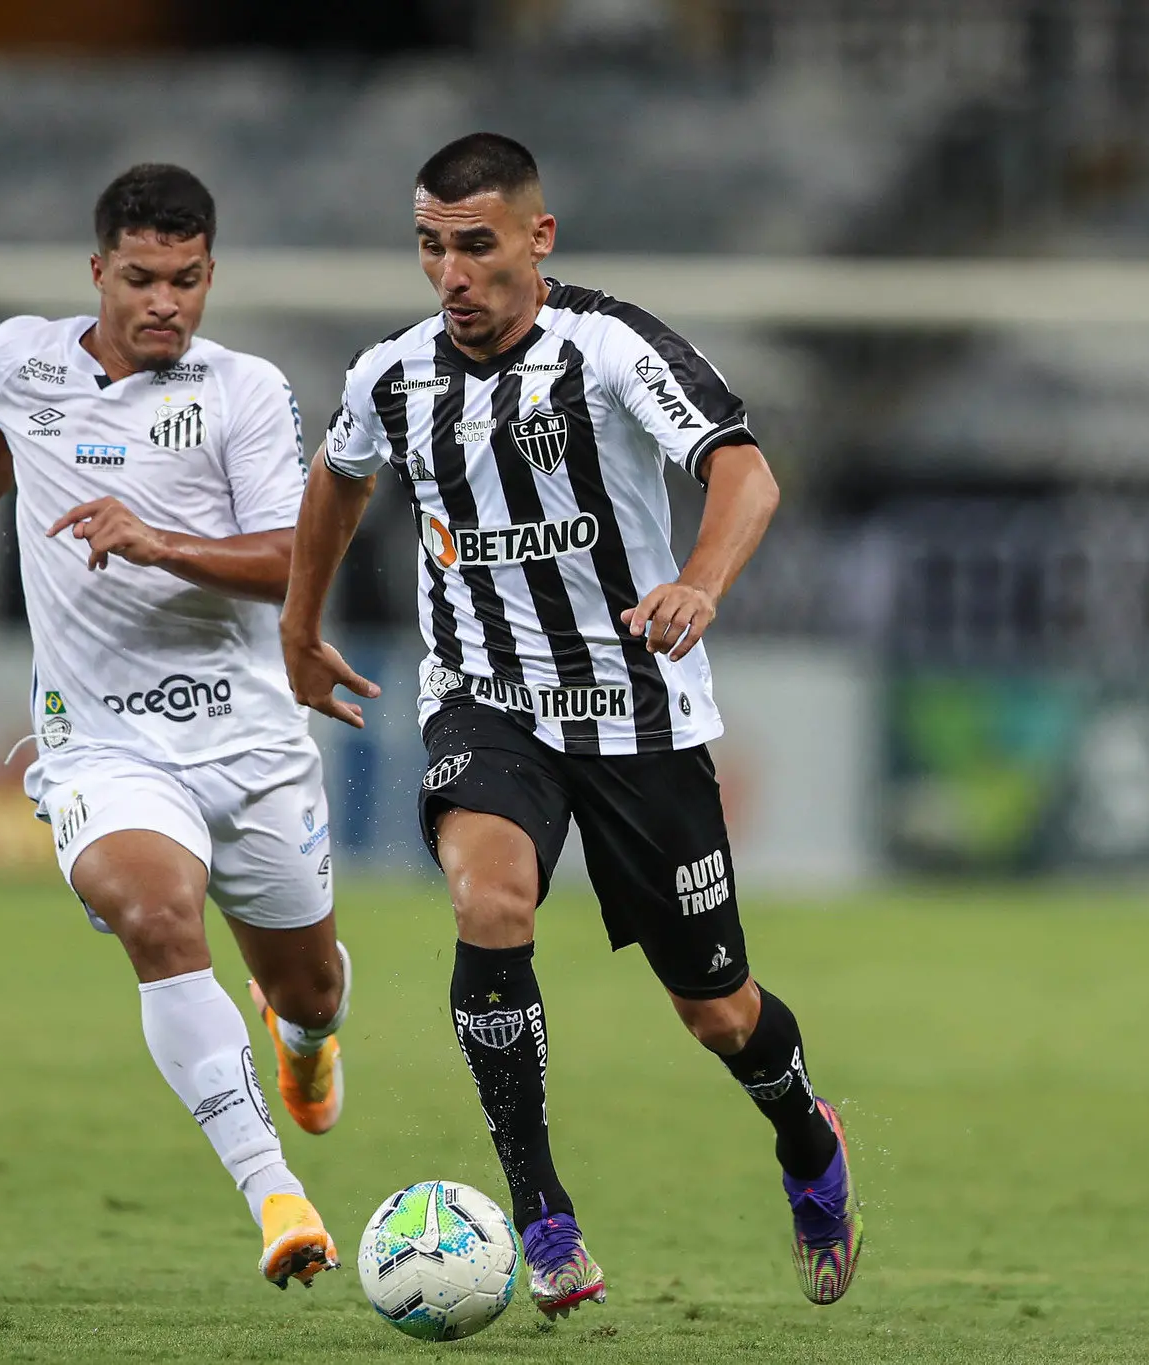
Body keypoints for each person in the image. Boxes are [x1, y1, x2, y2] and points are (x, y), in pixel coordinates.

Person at [280, 132, 863, 1317]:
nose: (450, 274)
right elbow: (339, 475)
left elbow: (744, 474)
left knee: (716, 1011)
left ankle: (806, 1141)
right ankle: (541, 1214)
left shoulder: (609, 348)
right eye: (430, 247)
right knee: (489, 899)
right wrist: (297, 624)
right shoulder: (389, 375)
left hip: (635, 708)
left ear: (536, 238)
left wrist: (697, 582)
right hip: (484, 698)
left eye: (475, 245)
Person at [0, 165, 345, 1289]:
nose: (166, 303)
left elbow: (293, 559)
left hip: (248, 746)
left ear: (212, 274)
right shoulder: (23, 358)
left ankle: (302, 1036)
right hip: (103, 746)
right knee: (156, 917)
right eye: (143, 279)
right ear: (98, 270)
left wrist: (159, 542)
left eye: (187, 280)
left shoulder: (243, 392)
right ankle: (275, 1197)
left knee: (309, 988)